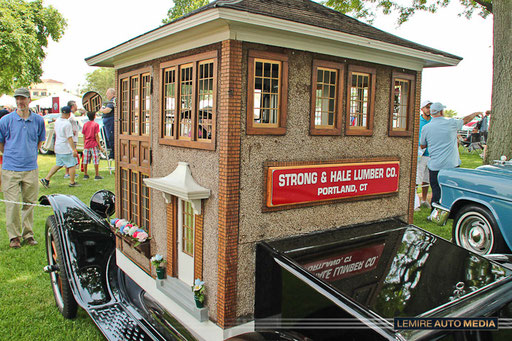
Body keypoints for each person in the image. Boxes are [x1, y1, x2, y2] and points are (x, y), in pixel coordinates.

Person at [0, 88, 45, 248]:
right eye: (17, 99)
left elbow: (40, 142)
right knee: (11, 204)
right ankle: (14, 237)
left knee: (29, 203)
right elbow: (2, 144)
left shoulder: (38, 121)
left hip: (30, 168)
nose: (20, 102)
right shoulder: (5, 120)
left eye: (23, 98)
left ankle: (28, 235)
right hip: (10, 169)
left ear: (29, 99)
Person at [420, 102, 482, 209]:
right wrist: (475, 113)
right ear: (441, 111)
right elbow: (465, 120)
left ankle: (435, 213)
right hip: (451, 165)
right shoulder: (451, 123)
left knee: (436, 190)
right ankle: (451, 211)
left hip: (435, 165)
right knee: (452, 190)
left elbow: (422, 145)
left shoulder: (426, 128)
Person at [40, 106, 80, 188]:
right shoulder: (67, 124)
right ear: (69, 114)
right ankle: (72, 182)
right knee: (72, 164)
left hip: (58, 145)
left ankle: (47, 179)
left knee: (59, 164)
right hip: (65, 147)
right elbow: (69, 138)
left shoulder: (57, 121)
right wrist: (74, 149)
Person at [416, 100, 432, 209]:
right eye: (427, 107)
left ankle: (424, 199)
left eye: (430, 107)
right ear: (422, 109)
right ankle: (415, 201)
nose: (429, 109)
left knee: (427, 178)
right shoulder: (418, 121)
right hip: (420, 153)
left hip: (431, 154)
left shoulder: (433, 121)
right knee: (418, 177)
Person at [82, 111, 105, 180]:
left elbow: (84, 135)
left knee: (85, 160)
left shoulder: (85, 124)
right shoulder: (96, 124)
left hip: (87, 144)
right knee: (95, 159)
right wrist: (100, 146)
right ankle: (97, 174)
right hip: (94, 144)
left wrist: (84, 143)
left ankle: (85, 174)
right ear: (94, 116)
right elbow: (96, 136)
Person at [64, 100, 80, 179]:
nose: (77, 107)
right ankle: (67, 173)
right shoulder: (70, 116)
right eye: (76, 105)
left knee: (72, 156)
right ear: (72, 106)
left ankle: (70, 172)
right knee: (70, 155)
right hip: (71, 139)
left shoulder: (72, 115)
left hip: (74, 138)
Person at [100, 88, 116, 159]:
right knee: (106, 137)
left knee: (111, 137)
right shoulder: (110, 101)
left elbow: (107, 110)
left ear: (112, 94)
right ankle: (110, 151)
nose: (106, 95)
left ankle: (113, 154)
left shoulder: (113, 101)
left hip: (110, 123)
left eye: (108, 93)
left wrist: (100, 109)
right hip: (107, 123)